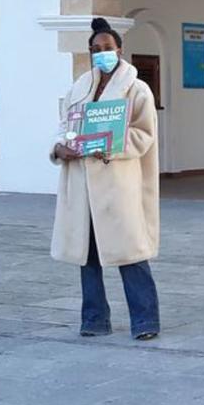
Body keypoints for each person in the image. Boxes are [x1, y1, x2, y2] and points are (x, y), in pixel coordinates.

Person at [50, 18, 161, 341]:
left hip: (118, 184)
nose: (102, 54)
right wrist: (60, 147)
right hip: (82, 184)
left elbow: (144, 134)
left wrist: (112, 146)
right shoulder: (80, 86)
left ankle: (145, 320)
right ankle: (95, 318)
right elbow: (65, 124)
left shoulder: (137, 89)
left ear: (119, 49)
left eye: (107, 48)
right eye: (96, 49)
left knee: (131, 253)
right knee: (88, 254)